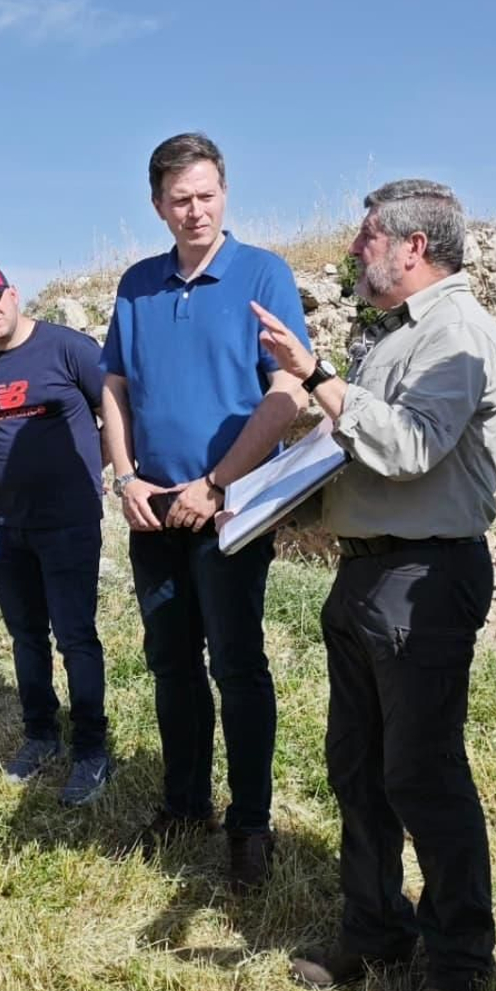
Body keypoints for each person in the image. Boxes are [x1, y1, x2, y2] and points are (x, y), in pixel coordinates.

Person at [251, 179, 496, 991]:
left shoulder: (458, 334)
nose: (354, 250)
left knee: (423, 776)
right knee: (359, 769)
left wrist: (317, 375)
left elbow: (405, 448)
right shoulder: (395, 335)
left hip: (424, 580)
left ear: (414, 247)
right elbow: (356, 448)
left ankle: (458, 967)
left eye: (367, 237)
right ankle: (375, 929)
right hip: (367, 574)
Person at [99, 133, 313, 891]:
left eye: (207, 195)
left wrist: (218, 483)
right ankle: (185, 803)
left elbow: (287, 391)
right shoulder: (136, 284)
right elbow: (115, 387)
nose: (195, 211)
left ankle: (250, 824)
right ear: (158, 206)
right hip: (153, 508)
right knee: (169, 662)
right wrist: (124, 477)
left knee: (237, 664)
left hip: (229, 510)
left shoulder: (263, 272)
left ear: (225, 193)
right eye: (180, 199)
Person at [0, 261, 113, 807]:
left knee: (75, 637)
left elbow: (114, 411)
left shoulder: (68, 349)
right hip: (2, 525)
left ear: (14, 295)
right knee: (26, 639)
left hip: (68, 521)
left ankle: (92, 749)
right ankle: (40, 735)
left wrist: (102, 471)